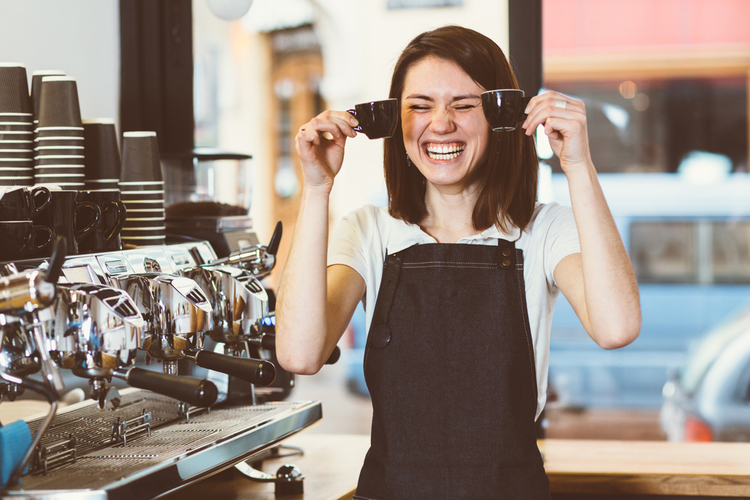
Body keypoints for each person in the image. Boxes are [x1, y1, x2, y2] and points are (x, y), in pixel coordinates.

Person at [276, 25, 640, 499]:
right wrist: (317, 190)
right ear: (397, 121)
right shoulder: (368, 230)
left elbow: (617, 327)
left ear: (498, 116)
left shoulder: (543, 230)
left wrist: (579, 166)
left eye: (464, 105)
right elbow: (299, 355)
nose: (441, 123)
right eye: (420, 106)